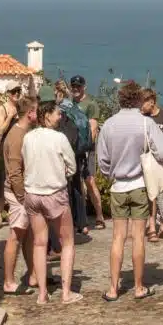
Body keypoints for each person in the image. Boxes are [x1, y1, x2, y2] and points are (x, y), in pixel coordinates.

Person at [97, 80, 163, 302]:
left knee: (118, 237)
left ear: (120, 99)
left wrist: (113, 172)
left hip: (118, 186)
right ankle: (139, 287)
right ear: (138, 99)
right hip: (139, 185)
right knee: (138, 237)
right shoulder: (146, 123)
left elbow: (102, 161)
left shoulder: (108, 125)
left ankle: (112, 288)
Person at [22, 96, 82, 305]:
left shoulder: (28, 138)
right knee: (67, 242)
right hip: (54, 192)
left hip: (32, 193)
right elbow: (72, 167)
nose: (60, 116)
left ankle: (42, 294)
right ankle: (66, 292)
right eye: (57, 112)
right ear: (47, 116)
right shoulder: (59, 138)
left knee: (39, 243)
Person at [3, 95, 38, 295]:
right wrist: (23, 197)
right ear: (30, 113)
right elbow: (15, 171)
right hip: (18, 193)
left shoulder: (22, 132)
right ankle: (9, 281)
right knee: (15, 236)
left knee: (28, 236)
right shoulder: (17, 136)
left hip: (21, 191)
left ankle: (33, 274)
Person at [70, 75, 106, 230]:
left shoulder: (91, 104)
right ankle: (78, 217)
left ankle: (99, 215)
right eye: (73, 86)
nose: (76, 89)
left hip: (86, 150)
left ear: (84, 87)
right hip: (72, 149)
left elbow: (93, 128)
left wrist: (85, 147)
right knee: (75, 184)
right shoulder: (69, 104)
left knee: (90, 181)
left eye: (78, 86)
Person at [141, 89, 163, 241]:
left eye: (144, 102)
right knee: (151, 194)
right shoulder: (143, 118)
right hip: (150, 161)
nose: (141, 106)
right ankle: (151, 227)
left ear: (152, 101)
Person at [55, 81, 86, 239]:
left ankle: (67, 227)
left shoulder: (59, 110)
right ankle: (80, 223)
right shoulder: (74, 108)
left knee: (66, 192)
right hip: (76, 153)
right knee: (76, 188)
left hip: (63, 157)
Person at [0, 82, 22, 223]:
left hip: (19, 149)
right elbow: (0, 130)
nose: (16, 93)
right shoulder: (3, 109)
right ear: (8, 93)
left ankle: (13, 211)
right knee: (1, 181)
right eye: (13, 91)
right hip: (5, 149)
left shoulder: (21, 108)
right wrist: (10, 116)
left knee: (16, 179)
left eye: (18, 90)